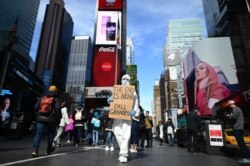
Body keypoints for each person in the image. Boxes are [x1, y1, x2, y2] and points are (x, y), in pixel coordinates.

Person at [107, 74, 139, 163]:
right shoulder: (117, 90)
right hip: (117, 115)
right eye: (123, 79)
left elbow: (136, 103)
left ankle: (123, 153)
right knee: (116, 130)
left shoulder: (132, 91)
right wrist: (110, 100)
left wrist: (134, 111)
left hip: (127, 115)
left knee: (126, 132)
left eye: (126, 79)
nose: (124, 80)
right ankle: (124, 149)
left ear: (129, 80)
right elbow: (114, 103)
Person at [32, 85, 60, 157]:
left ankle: (35, 151)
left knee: (38, 134)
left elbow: (35, 107)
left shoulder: (43, 97)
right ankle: (49, 150)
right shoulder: (56, 98)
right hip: (50, 119)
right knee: (50, 134)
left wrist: (38, 115)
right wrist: (55, 118)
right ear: (55, 91)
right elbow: (57, 109)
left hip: (40, 118)